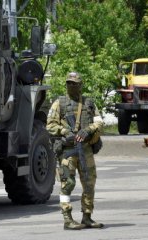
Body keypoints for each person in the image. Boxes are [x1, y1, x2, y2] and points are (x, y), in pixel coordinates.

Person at [46, 72, 104, 230]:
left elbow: (99, 122)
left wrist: (88, 129)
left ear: (80, 85)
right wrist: (65, 132)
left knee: (89, 183)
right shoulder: (59, 103)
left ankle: (87, 217)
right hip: (68, 151)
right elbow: (50, 125)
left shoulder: (89, 103)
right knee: (68, 183)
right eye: (69, 83)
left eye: (74, 83)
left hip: (85, 149)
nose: (71, 86)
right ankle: (67, 218)